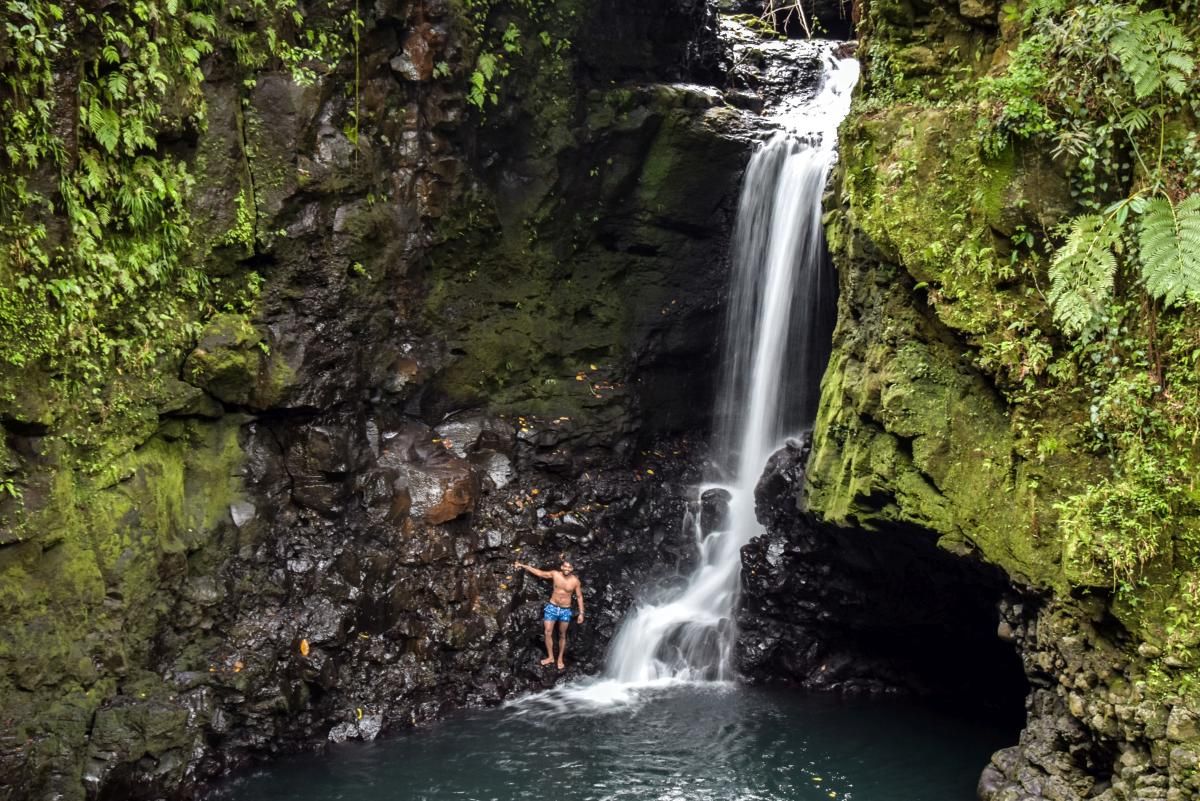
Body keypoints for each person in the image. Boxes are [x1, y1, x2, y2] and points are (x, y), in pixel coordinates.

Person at [513, 558, 584, 670]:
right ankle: (551, 657)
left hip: (565, 610)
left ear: (572, 569)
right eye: (565, 566)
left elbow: (579, 596)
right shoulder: (555, 574)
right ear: (562, 567)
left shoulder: (575, 581)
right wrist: (523, 566)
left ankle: (560, 658)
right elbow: (540, 573)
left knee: (562, 635)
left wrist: (581, 613)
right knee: (547, 632)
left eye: (569, 567)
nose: (567, 568)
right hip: (552, 606)